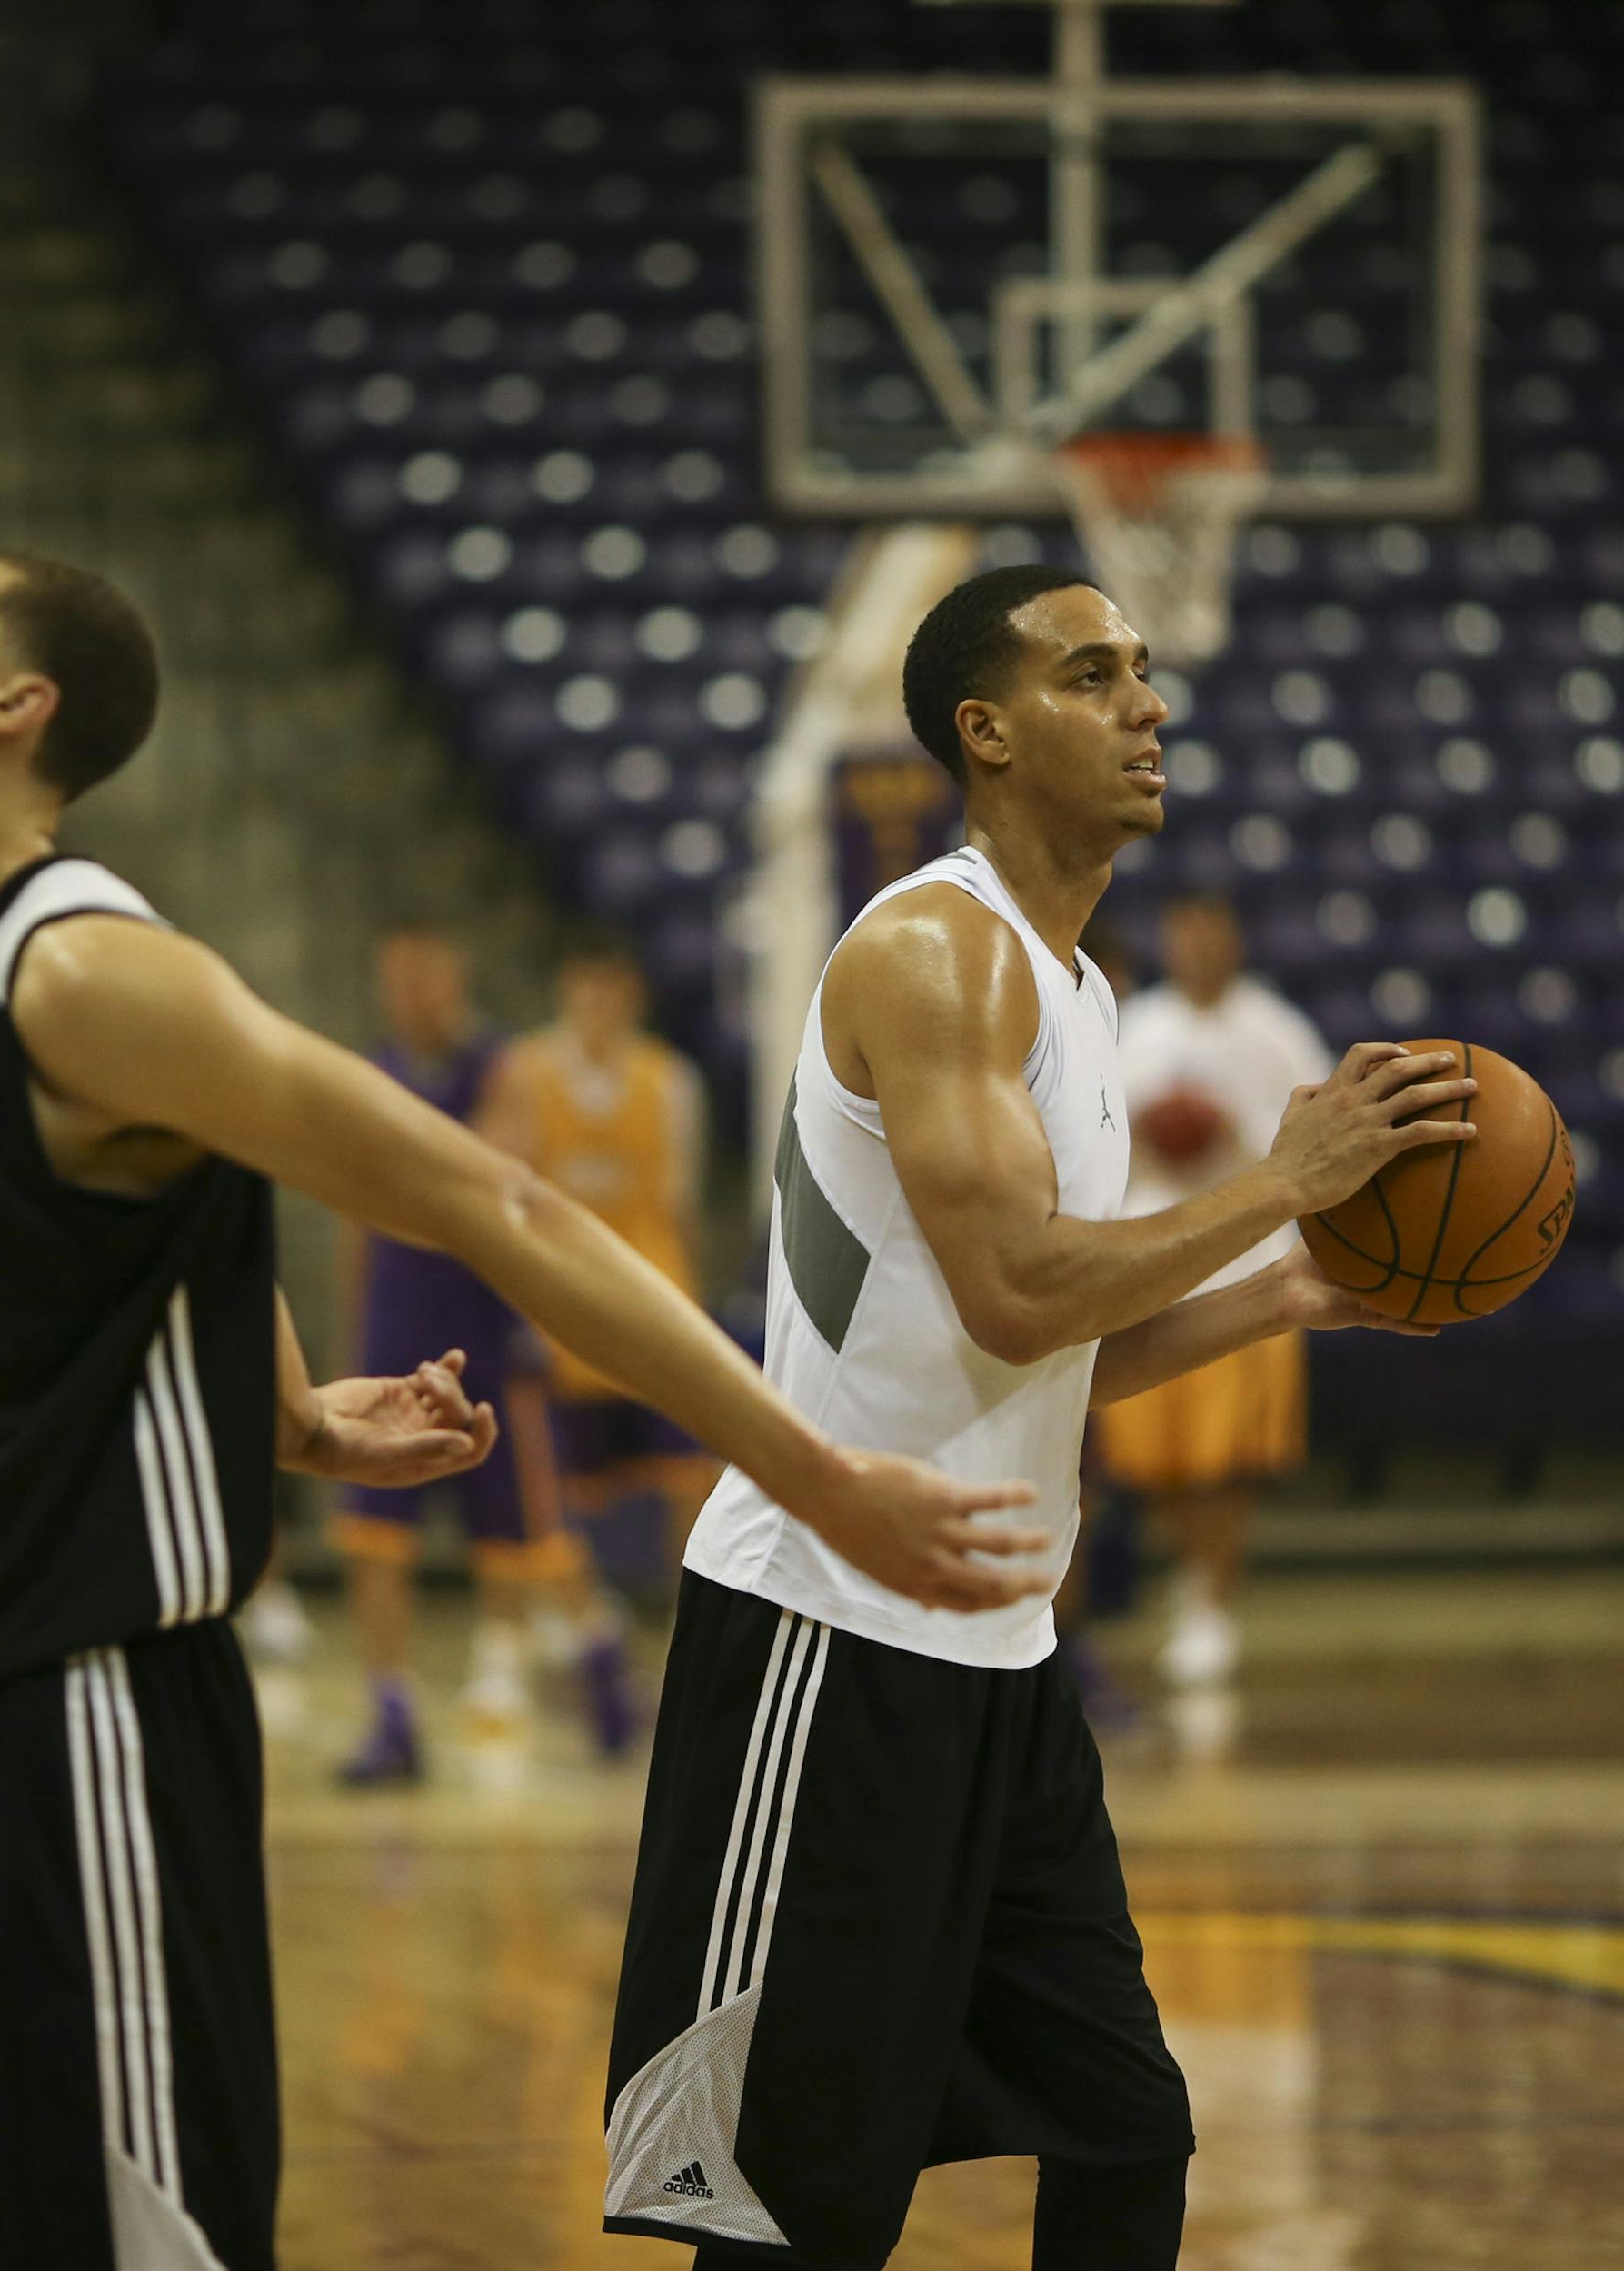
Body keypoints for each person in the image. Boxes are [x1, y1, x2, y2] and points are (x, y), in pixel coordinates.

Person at [0, 551, 1051, 2271]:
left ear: (19, 711)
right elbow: (146, 1229)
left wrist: (818, 1475)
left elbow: (508, 1207)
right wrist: (300, 1418)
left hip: (68, 1697)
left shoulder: (91, 973)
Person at [601, 563, 1475, 2271]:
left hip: (1000, 1663)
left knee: (1125, 2121)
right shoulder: (938, 951)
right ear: (985, 732)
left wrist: (1283, 1287)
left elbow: (1040, 1357)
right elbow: (1018, 1287)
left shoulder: (1079, 990)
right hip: (827, 1635)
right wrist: (1279, 1178)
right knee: (793, 2205)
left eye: (1143, 671)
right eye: (1095, 675)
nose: (1148, 703)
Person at [330, 921, 634, 1781]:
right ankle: (392, 1711)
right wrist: (356, 1327)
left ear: (454, 977)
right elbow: (360, 1207)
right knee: (371, 1534)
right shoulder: (374, 1070)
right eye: (399, 977)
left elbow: (492, 1181)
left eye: (426, 975)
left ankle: (601, 1652)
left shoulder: (502, 1070)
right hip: (399, 1317)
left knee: (531, 1534)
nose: (412, 993)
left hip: (483, 1327)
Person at [1092, 891, 1336, 1689]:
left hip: (1248, 1262)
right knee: (1157, 1461)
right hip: (1150, 1257)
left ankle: (1212, 1601)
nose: (1196, 948)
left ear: (1233, 942)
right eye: (1183, 934)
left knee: (1223, 1462)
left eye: (1210, 934)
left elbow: (1323, 1141)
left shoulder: (1279, 1030)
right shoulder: (1134, 1024)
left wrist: (1230, 1127)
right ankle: (1193, 1582)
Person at [487, 929, 721, 1572]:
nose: (597, 1003)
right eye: (585, 988)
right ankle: (580, 1634)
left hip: (653, 1302)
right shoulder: (526, 1072)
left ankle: (689, 1617)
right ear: (567, 990)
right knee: (557, 1489)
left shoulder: (670, 1080)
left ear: (632, 997)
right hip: (563, 1308)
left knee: (686, 1474)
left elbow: (682, 1208)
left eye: (609, 989)